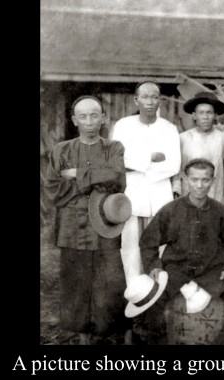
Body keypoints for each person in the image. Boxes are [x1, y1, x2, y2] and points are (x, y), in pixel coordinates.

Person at [137, 159, 224, 344]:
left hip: (211, 272)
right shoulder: (170, 210)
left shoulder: (221, 212)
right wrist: (155, 267)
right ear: (185, 179)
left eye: (205, 180)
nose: (199, 185)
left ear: (213, 181)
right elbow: (147, 242)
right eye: (194, 179)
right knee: (151, 301)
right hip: (176, 272)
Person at [44, 95, 129, 344]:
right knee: (76, 283)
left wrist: (78, 174)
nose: (89, 121)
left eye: (94, 115)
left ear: (103, 118)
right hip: (72, 227)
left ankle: (111, 334)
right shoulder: (62, 150)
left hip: (106, 224)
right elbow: (53, 189)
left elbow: (117, 178)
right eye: (83, 116)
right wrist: (94, 184)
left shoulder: (114, 148)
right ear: (74, 120)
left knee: (110, 281)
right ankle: (83, 337)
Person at [111, 81, 181, 283]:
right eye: (145, 97)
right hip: (132, 195)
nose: (150, 102)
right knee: (131, 249)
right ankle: (135, 295)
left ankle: (158, 295)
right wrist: (150, 158)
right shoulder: (123, 126)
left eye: (154, 97)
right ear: (136, 99)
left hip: (160, 195)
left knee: (161, 247)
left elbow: (173, 165)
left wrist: (135, 163)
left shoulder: (169, 129)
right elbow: (117, 162)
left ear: (159, 100)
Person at [173, 91, 224, 207]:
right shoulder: (182, 139)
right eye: (201, 113)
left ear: (216, 115)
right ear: (194, 115)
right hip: (187, 202)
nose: (205, 117)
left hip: (216, 200)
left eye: (209, 113)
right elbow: (177, 176)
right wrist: (178, 203)